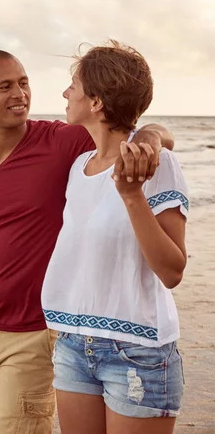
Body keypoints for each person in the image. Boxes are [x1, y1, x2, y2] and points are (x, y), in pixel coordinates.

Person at [0, 49, 174, 434]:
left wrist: (148, 137)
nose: (21, 94)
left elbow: (128, 127)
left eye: (24, 82)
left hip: (33, 332)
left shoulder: (61, 142)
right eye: (6, 86)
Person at [42, 41, 187, 434]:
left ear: (97, 101)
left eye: (73, 84)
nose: (65, 93)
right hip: (73, 343)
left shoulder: (157, 164)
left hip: (137, 353)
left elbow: (172, 271)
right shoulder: (79, 166)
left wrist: (131, 194)